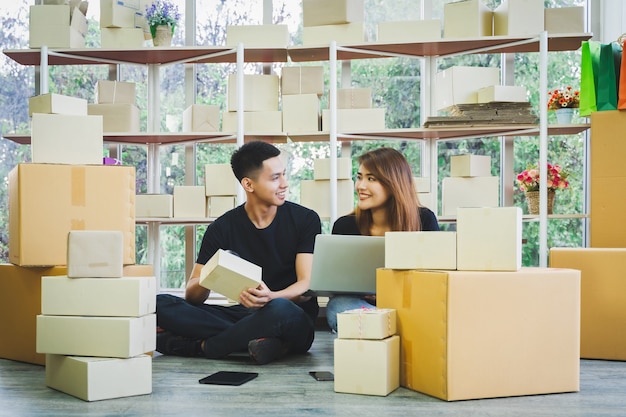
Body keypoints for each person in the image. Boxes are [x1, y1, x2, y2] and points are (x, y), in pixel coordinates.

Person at [156, 141, 321, 365]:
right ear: (248, 184)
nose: (284, 184)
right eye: (275, 178)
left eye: (283, 175)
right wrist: (214, 272)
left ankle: (206, 346)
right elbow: (192, 296)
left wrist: (271, 297)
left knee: (280, 310)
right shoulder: (222, 228)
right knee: (160, 303)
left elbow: (305, 284)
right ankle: (265, 341)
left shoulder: (305, 220)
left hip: (290, 313)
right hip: (244, 315)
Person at [325, 147, 439, 332]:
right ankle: (395, 330)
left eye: (371, 179)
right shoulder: (345, 225)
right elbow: (336, 284)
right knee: (338, 306)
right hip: (362, 304)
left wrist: (387, 295)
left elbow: (434, 280)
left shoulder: (424, 219)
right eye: (359, 177)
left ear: (393, 184)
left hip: (408, 303)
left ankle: (377, 330)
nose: (360, 186)